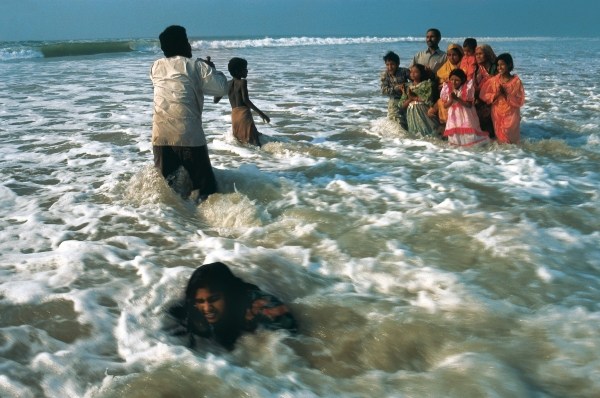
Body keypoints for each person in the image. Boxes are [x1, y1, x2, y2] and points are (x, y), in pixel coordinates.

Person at [150, 25, 228, 200]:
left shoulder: (155, 67)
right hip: (189, 136)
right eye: (187, 41)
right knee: (207, 192)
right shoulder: (197, 66)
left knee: (171, 192)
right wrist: (211, 69)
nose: (190, 45)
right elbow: (222, 89)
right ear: (182, 45)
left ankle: (175, 222)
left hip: (160, 137)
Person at [169, 262, 297, 350]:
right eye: (201, 301)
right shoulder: (192, 306)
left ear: (228, 294)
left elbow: (291, 333)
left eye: (214, 299)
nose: (207, 308)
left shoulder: (257, 306)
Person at [479, 53, 525, 144]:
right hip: (497, 111)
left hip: (512, 112)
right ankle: (502, 156)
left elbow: (520, 99)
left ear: (509, 65)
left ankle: (516, 156)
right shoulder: (494, 80)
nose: (499, 67)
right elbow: (483, 95)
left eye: (502, 65)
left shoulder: (516, 81)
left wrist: (506, 95)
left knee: (511, 137)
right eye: (498, 65)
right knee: (501, 137)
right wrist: (497, 94)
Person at [225, 57, 270, 147]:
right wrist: (261, 113)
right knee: (256, 143)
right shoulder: (242, 82)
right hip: (244, 114)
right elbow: (246, 100)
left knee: (242, 141)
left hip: (234, 115)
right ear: (238, 71)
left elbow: (216, 99)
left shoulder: (227, 84)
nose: (247, 71)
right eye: (245, 69)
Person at [441, 69, 490, 147]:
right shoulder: (448, 88)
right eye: (452, 80)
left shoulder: (467, 88)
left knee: (468, 134)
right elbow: (445, 105)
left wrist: (457, 99)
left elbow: (469, 105)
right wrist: (451, 100)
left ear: (462, 80)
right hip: (454, 117)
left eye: (457, 80)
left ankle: (470, 150)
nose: (453, 82)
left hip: (466, 115)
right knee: (455, 134)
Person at [430, 43, 464, 128]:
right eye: (449, 55)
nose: (451, 58)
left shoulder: (465, 66)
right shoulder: (443, 69)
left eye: (454, 55)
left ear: (460, 54)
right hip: (446, 96)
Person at [399, 64, 439, 137]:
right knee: (415, 135)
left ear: (421, 73)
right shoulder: (407, 86)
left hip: (422, 111)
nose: (412, 74)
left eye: (416, 72)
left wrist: (414, 98)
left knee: (427, 133)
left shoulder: (426, 85)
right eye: (411, 72)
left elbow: (428, 100)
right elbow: (402, 105)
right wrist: (410, 99)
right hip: (411, 113)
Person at [380, 51, 411, 129]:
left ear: (398, 63)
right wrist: (396, 88)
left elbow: (415, 81)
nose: (390, 67)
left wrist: (406, 86)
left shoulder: (404, 71)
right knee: (397, 124)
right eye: (387, 65)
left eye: (392, 64)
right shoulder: (385, 75)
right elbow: (383, 90)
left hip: (407, 100)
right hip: (394, 101)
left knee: (409, 123)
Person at [473, 44, 498, 138]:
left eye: (480, 54)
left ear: (487, 54)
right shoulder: (477, 69)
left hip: (494, 99)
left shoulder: (496, 68)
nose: (478, 56)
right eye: (476, 54)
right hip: (481, 99)